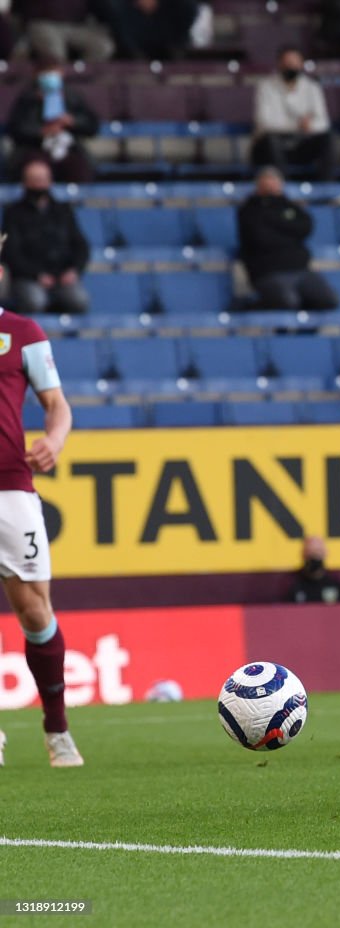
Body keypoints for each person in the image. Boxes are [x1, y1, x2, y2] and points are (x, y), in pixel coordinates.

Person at [0, 246, 83, 768]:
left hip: (9, 485)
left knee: (35, 609)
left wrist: (55, 439)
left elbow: (58, 405)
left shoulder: (22, 332)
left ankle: (57, 729)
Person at [236, 166, 339, 311]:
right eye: (267, 181)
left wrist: (274, 224)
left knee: (329, 300)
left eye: (274, 181)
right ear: (258, 185)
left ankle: (304, 334)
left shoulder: (288, 205)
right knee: (288, 302)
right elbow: (260, 239)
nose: (272, 186)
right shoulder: (250, 210)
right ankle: (250, 308)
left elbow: (306, 227)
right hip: (268, 272)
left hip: (300, 269)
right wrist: (291, 235)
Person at [2, 160, 90, 315]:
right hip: (28, 277)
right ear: (25, 183)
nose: (39, 185)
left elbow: (80, 244)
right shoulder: (14, 213)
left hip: (61, 274)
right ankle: (28, 337)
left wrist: (74, 269)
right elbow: (10, 252)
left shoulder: (63, 211)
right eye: (35, 180)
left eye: (43, 180)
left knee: (79, 300)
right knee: (35, 301)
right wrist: (36, 275)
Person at [6, 56, 99, 184]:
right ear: (36, 74)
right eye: (45, 72)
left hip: (68, 146)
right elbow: (16, 128)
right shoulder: (27, 98)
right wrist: (41, 132)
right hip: (35, 148)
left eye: (53, 71)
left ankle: (77, 202)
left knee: (79, 166)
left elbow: (92, 125)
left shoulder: (72, 96)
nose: (50, 76)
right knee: (37, 169)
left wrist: (72, 121)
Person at [251, 47, 334, 182]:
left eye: (294, 63)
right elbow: (265, 122)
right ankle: (284, 191)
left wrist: (310, 125)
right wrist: (298, 124)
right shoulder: (266, 86)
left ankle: (327, 190)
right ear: (279, 64)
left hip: (301, 143)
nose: (291, 66)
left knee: (327, 138)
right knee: (272, 139)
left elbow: (323, 122)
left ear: (301, 64)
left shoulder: (312, 87)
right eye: (287, 62)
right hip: (271, 147)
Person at [18, 0, 116, 62]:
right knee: (55, 53)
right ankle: (63, 83)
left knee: (104, 46)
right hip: (43, 22)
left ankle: (80, 77)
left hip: (76, 25)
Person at [108, 0, 199, 60]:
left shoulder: (181, 7)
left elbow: (191, 10)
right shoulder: (118, 9)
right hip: (130, 64)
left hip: (174, 61)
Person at [287, 536, 340, 604]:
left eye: (318, 551)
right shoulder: (292, 583)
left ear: (325, 553)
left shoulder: (335, 582)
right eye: (310, 552)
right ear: (303, 554)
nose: (314, 556)